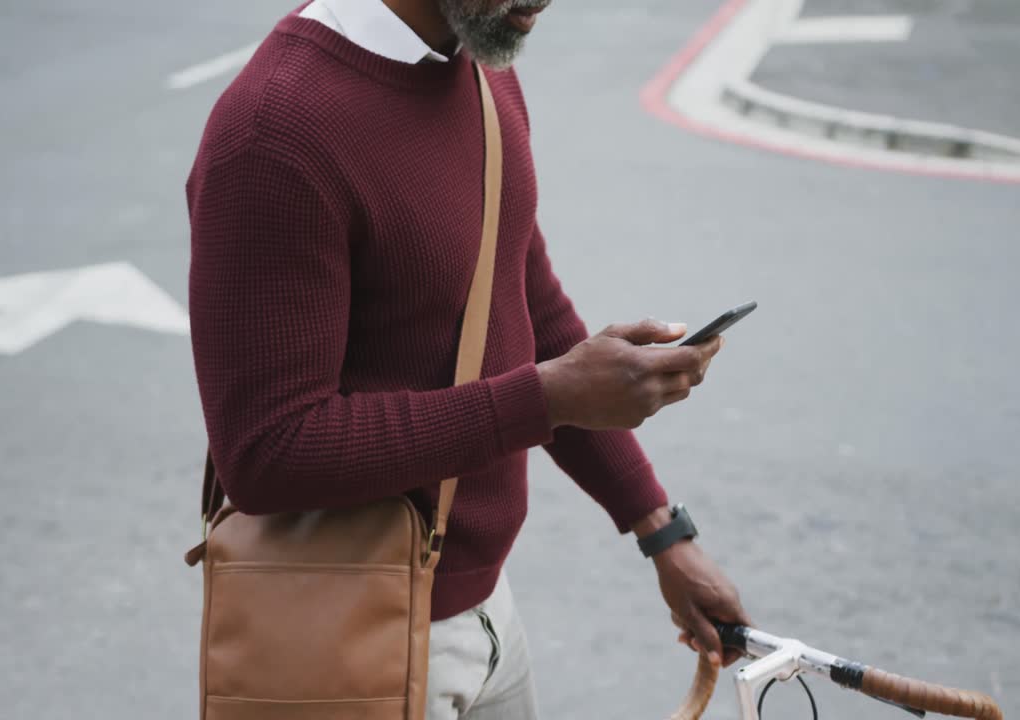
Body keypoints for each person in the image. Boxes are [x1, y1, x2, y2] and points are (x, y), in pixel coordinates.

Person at [185, 0, 751, 717]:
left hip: (488, 618)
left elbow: (528, 303)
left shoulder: (479, 62)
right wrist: (551, 399)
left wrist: (659, 530)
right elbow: (267, 454)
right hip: (350, 631)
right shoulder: (275, 132)